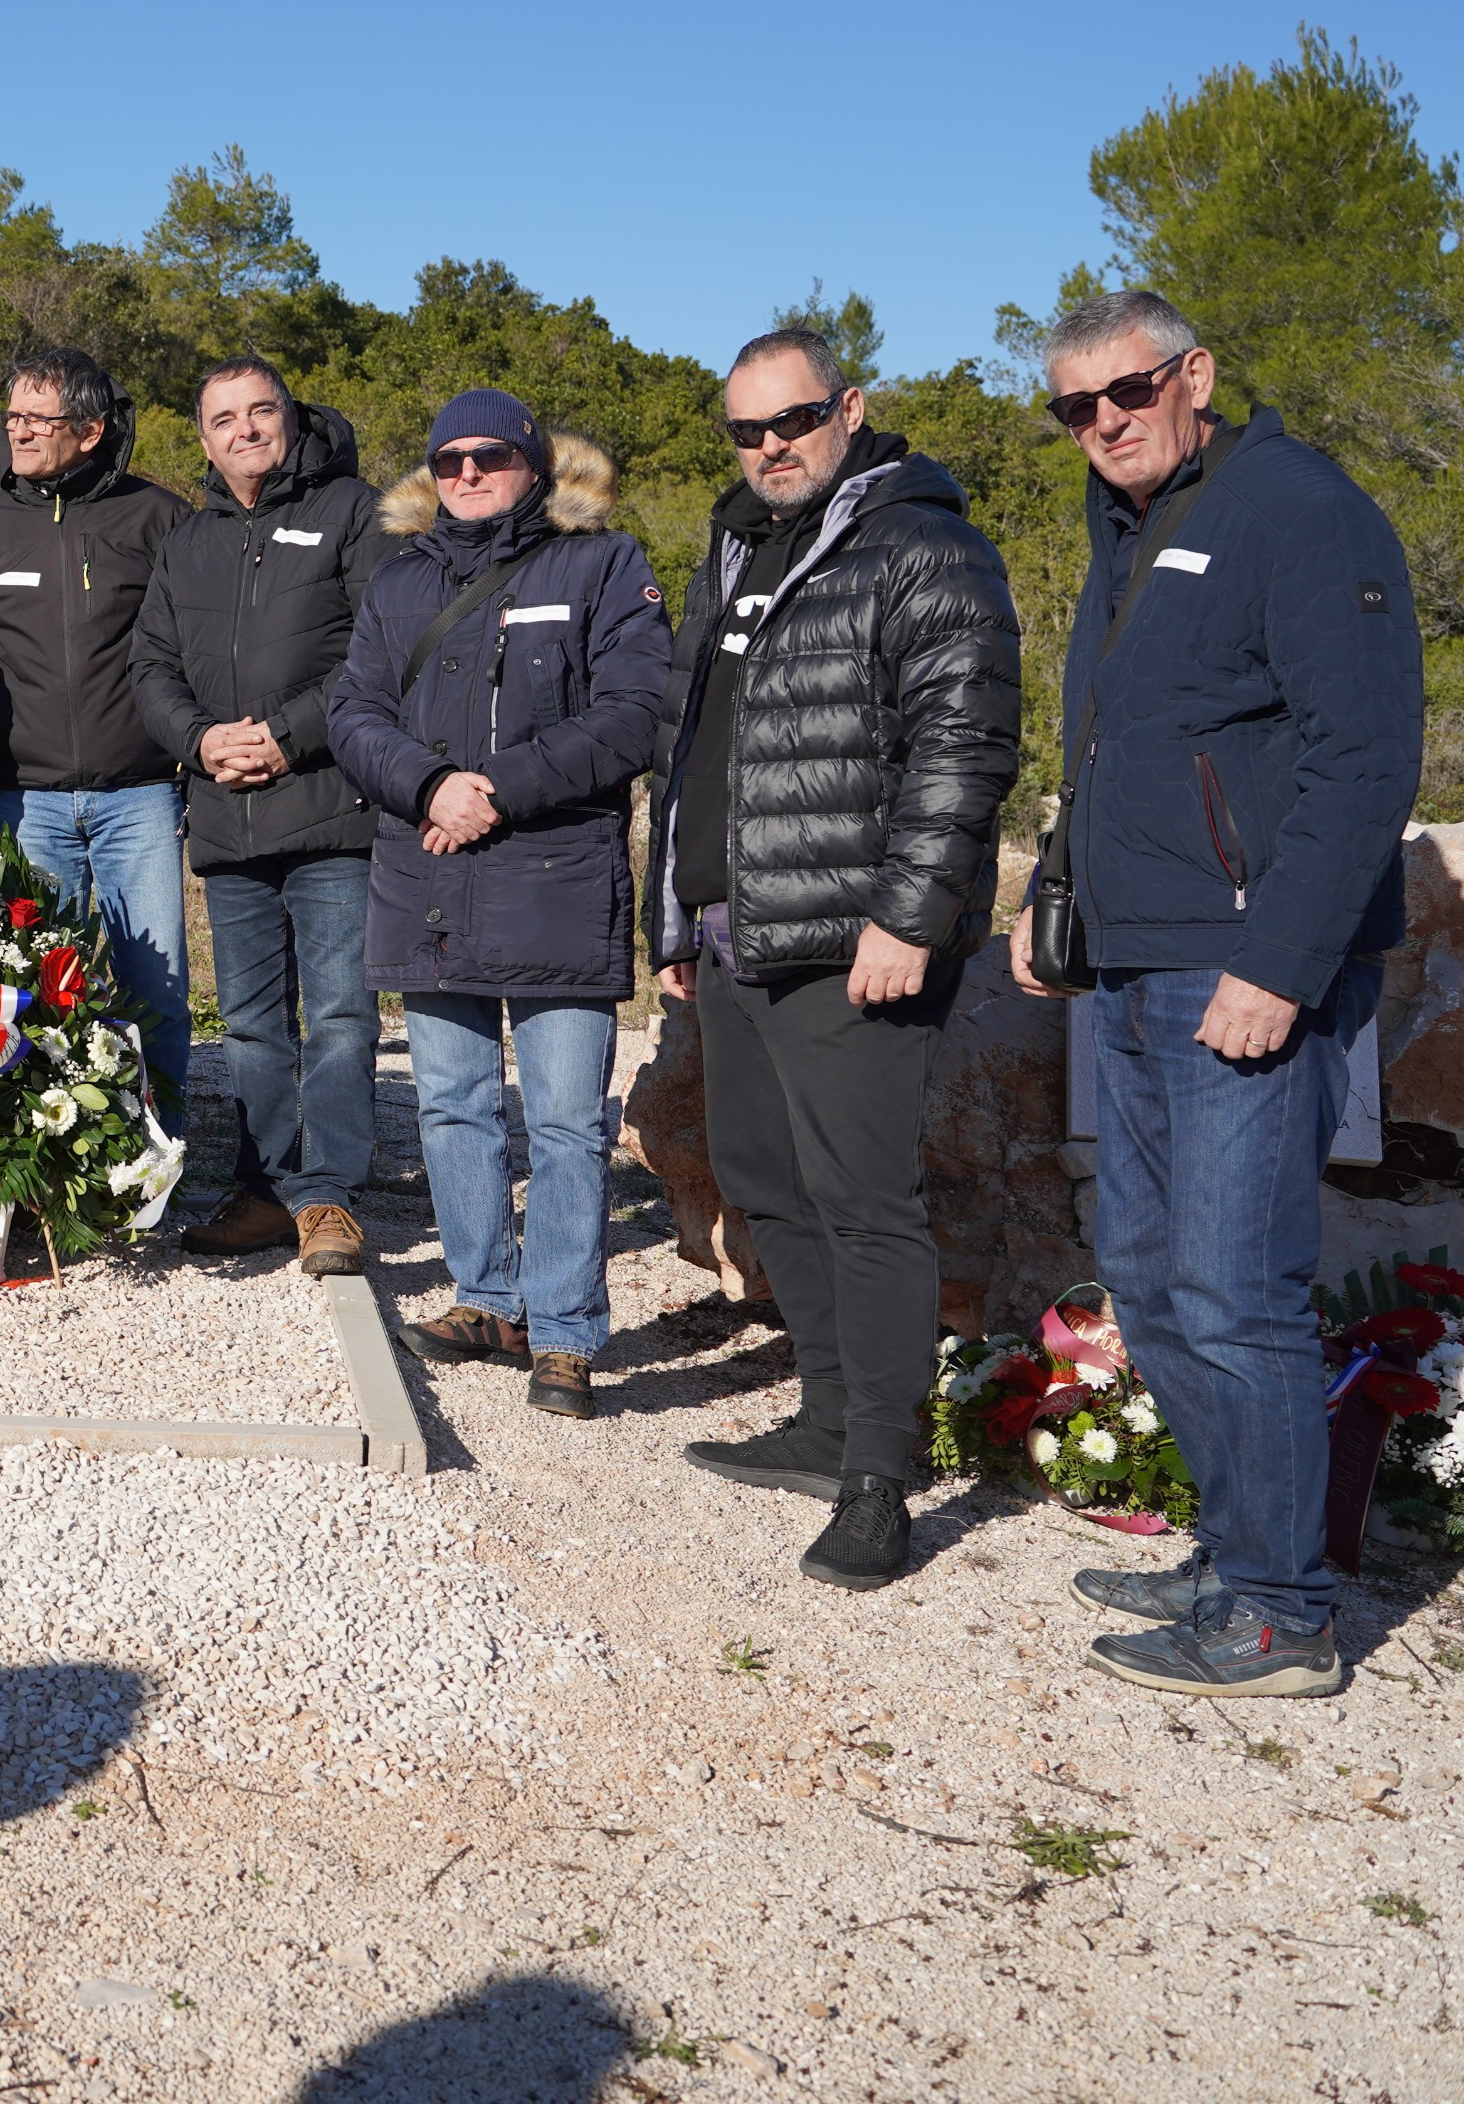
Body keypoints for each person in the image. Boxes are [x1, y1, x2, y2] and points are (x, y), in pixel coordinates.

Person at [1009, 287, 1421, 1698]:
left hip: (1241, 962)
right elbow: (1118, 739)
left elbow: (1365, 758)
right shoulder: (1128, 520)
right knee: (1145, 1276)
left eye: (1126, 392)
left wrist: (1276, 964)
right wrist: (1054, 891)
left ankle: (1284, 1616)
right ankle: (1239, 1554)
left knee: (1236, 1292)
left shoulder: (1296, 509)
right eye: (1073, 406)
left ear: (1193, 375)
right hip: (1135, 957)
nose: (1101, 422)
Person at [646, 326, 1020, 1590]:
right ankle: (823, 1415)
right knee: (761, 1171)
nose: (771, 446)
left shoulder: (924, 546)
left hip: (853, 937)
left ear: (850, 408)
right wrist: (676, 916)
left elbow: (964, 744)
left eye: (794, 420)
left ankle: (880, 1474)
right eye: (747, 430)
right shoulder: (736, 545)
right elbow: (694, 745)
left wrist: (909, 918)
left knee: (866, 1201)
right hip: (735, 930)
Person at [328, 391, 673, 1419]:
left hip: (556, 876)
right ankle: (487, 1299)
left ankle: (563, 1332)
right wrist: (431, 785)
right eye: (449, 460)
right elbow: (354, 711)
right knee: (452, 1104)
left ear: (533, 463)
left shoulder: (601, 564)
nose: (468, 474)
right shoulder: (401, 578)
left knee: (566, 1123)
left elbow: (635, 713)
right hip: (430, 875)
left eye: (490, 457)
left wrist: (497, 791)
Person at [132, 356, 395, 1275]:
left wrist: (288, 736)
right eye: (224, 419)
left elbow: (380, 652)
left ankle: (330, 1198)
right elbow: (151, 667)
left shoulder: (354, 513)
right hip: (228, 817)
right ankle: (265, 1192)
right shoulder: (188, 541)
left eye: (260, 411)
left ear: (292, 417)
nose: (244, 429)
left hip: (329, 810)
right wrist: (200, 739)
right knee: (248, 1025)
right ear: (204, 440)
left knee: (341, 1017)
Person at [0, 345, 195, 1110]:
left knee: (156, 994)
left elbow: (191, 647)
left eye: (38, 419)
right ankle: (56, 1159)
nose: (18, 431)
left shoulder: (160, 519)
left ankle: (161, 1152)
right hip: (29, 806)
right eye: (12, 415)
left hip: (140, 798)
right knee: (35, 995)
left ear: (89, 431)